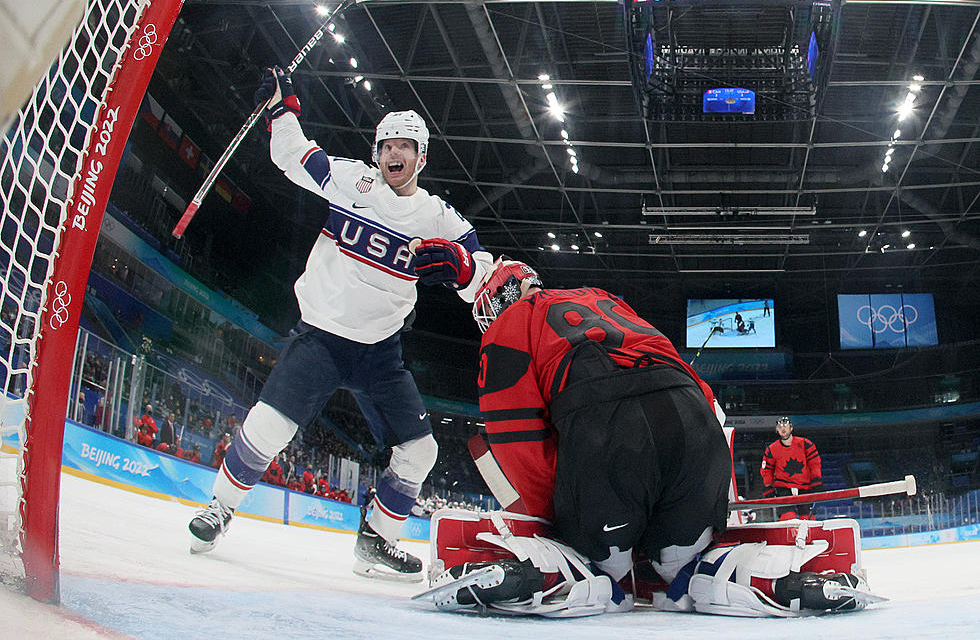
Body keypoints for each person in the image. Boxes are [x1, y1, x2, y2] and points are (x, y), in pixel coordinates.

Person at [418, 260, 876, 617]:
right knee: (683, 566)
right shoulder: (604, 298)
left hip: (610, 432)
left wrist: (560, 514)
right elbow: (701, 395)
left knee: (604, 572)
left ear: (497, 300)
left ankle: (556, 576)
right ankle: (769, 580)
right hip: (696, 423)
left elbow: (515, 432)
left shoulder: (510, 323)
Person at [187, 66, 493, 583]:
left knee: (422, 451)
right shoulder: (351, 179)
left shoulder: (442, 219)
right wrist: (282, 112)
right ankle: (219, 509)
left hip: (380, 352)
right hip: (322, 338)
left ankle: (376, 543)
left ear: (423, 157)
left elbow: (484, 278)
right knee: (269, 425)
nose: (394, 154)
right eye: (387, 145)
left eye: (405, 146)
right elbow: (292, 156)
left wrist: (466, 269)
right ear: (378, 153)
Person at [760, 416, 823, 520]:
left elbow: (814, 463)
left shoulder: (806, 444)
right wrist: (768, 486)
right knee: (787, 518)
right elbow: (767, 470)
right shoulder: (771, 449)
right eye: (780, 427)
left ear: (791, 428)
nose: (783, 429)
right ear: (777, 430)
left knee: (807, 519)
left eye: (785, 426)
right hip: (783, 488)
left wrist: (816, 481)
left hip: (805, 487)